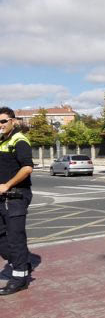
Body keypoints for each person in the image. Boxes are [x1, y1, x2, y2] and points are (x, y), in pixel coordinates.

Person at [0, 107, 34, 295]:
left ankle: (19, 278)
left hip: (16, 196)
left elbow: (27, 168)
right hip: (2, 197)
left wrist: (7, 184)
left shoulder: (19, 140)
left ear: (13, 121)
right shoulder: (1, 141)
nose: (1, 125)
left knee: (15, 239)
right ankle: (22, 262)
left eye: (4, 121)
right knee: (2, 238)